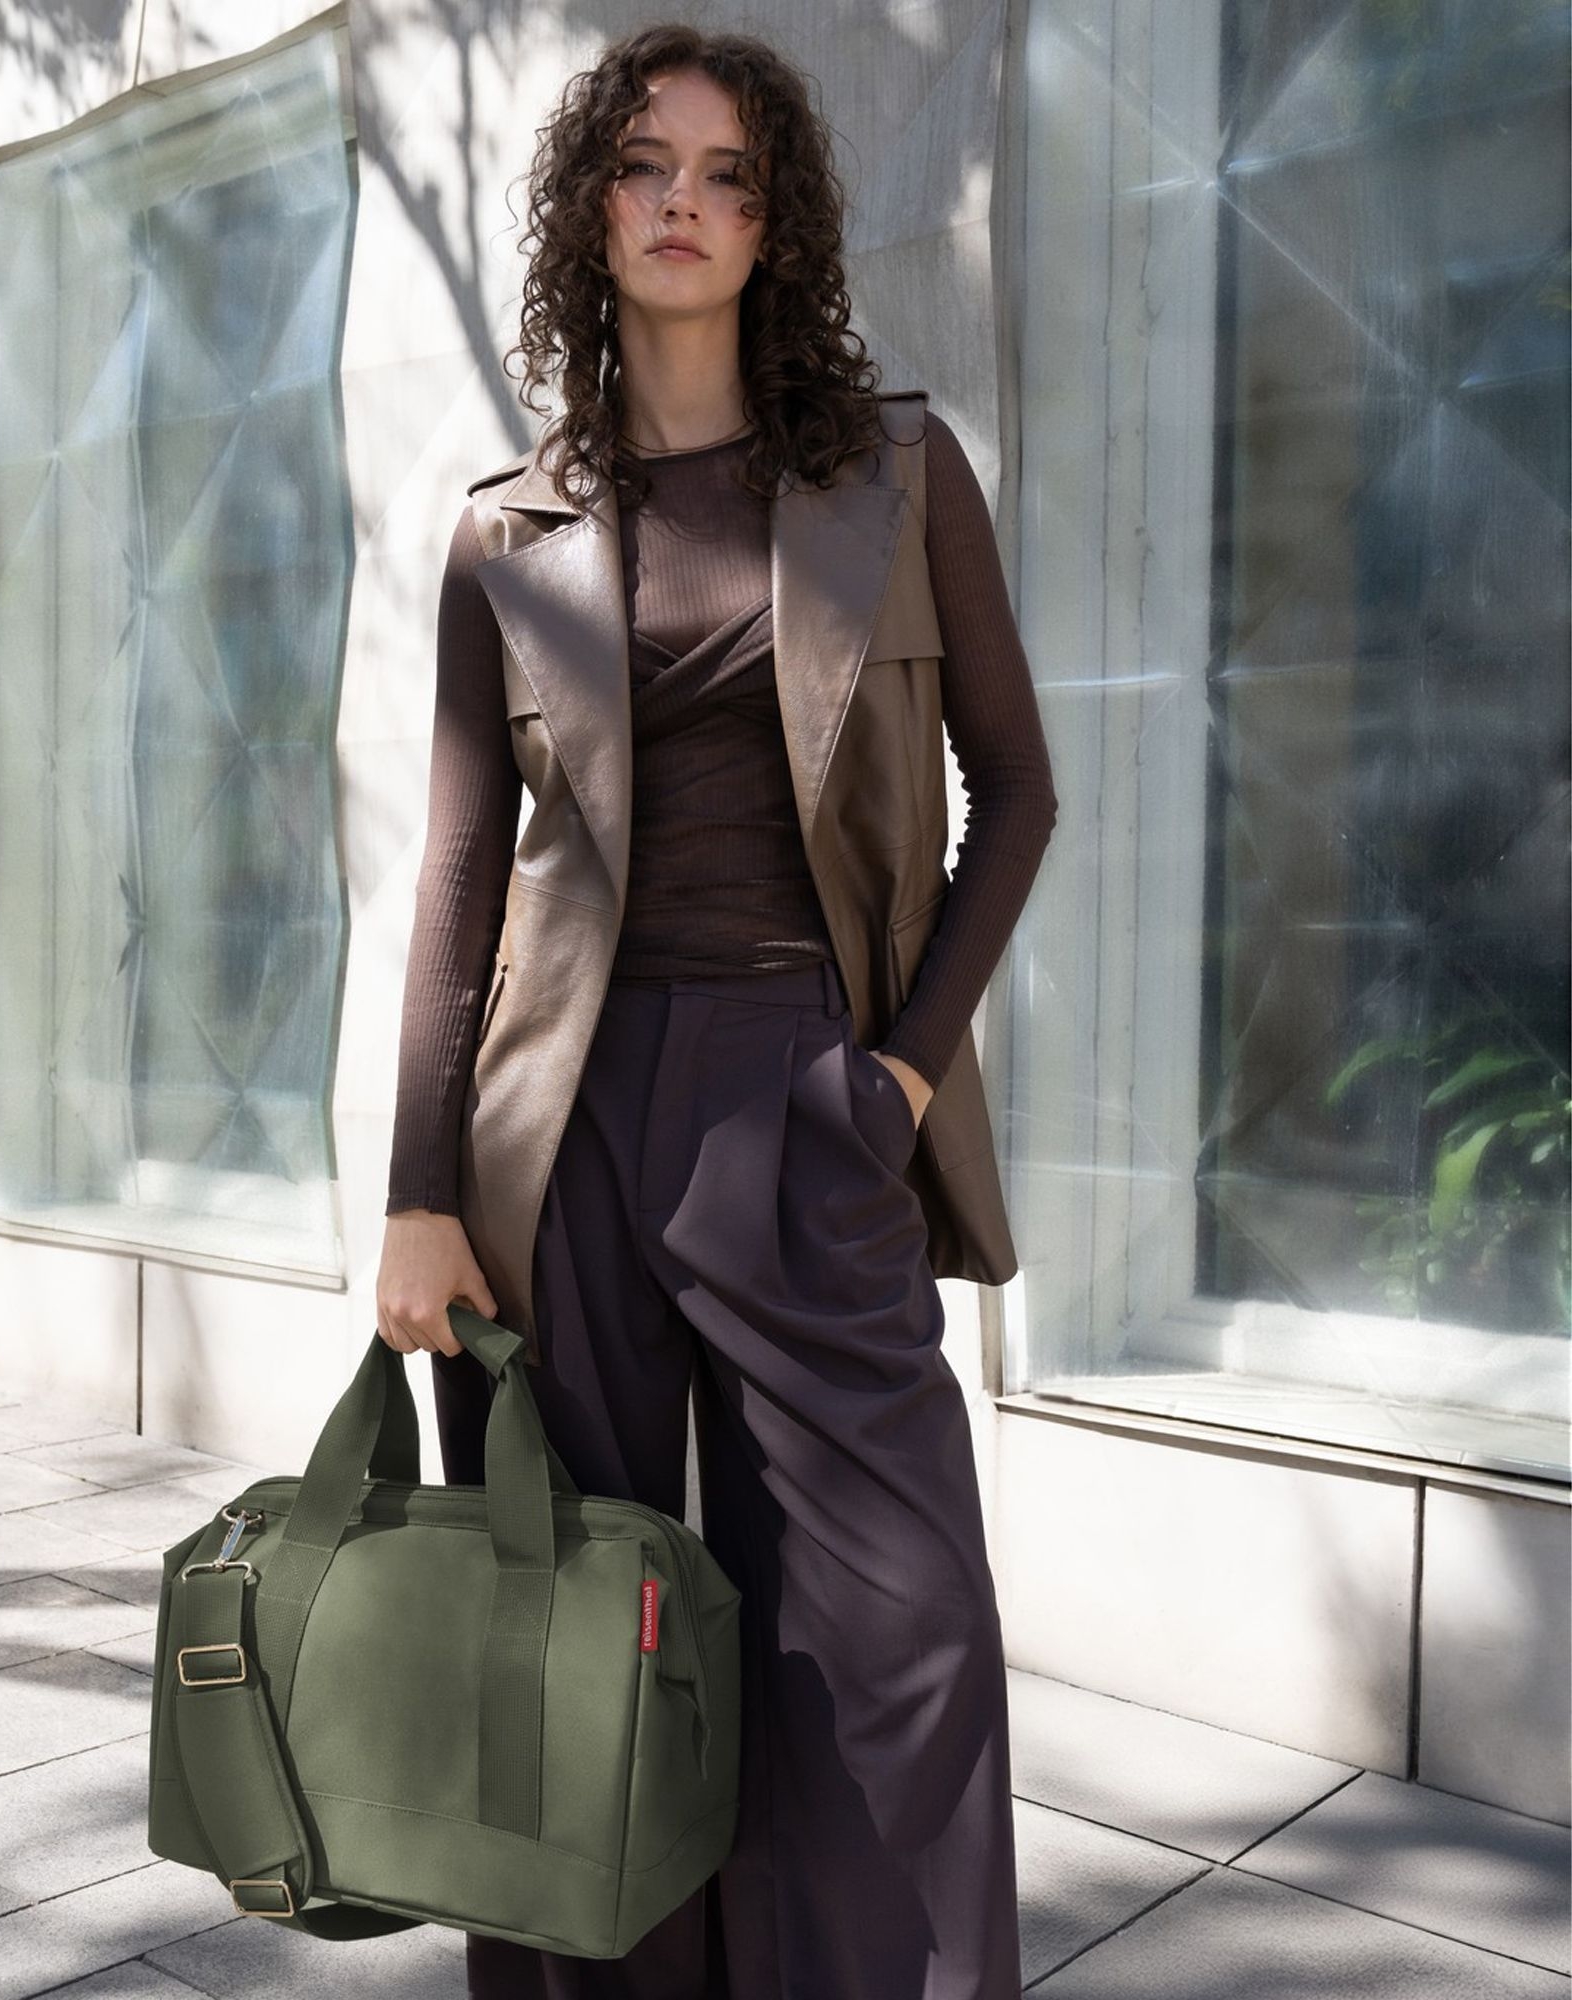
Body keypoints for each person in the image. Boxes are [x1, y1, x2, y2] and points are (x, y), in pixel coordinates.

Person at [375, 23, 1056, 2000]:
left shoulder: (897, 476)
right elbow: (453, 877)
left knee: (890, 1620)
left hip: (805, 1097)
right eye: (648, 166)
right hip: (558, 1126)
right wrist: (421, 1191)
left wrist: (898, 1074)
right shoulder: (506, 532)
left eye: (730, 174)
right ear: (593, 209)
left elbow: (1011, 789)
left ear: (779, 225)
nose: (685, 202)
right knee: (580, 1641)